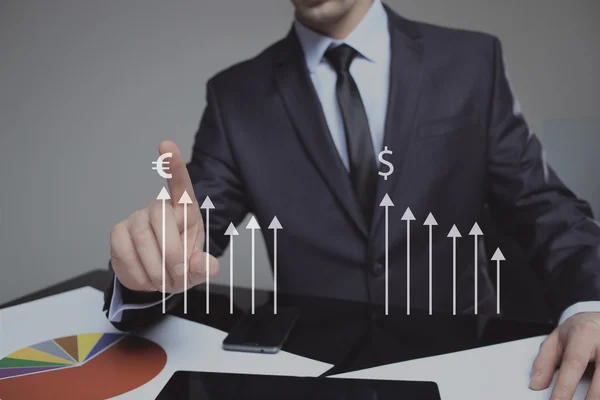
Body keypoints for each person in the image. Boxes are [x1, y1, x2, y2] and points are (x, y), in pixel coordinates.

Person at [105, 0, 600, 398]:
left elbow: (543, 204)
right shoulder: (236, 96)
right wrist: (146, 267)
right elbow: (187, 232)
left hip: (464, 363)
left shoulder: (471, 62)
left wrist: (590, 301)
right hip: (317, 375)